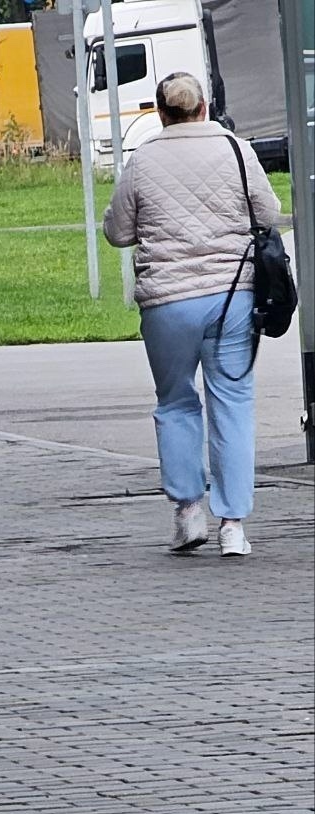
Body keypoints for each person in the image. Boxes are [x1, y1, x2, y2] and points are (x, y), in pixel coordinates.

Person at [103, 72, 282, 557]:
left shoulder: (143, 160)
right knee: (233, 403)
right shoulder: (236, 149)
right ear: (204, 107)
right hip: (233, 299)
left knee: (176, 402)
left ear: (162, 113)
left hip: (167, 304)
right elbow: (267, 214)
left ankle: (187, 513)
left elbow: (117, 232)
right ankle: (234, 526)